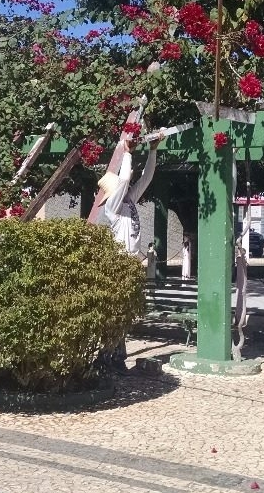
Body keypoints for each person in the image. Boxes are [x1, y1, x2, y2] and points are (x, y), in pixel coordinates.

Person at [96, 134, 162, 371]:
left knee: (124, 314)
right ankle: (107, 356)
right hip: (119, 265)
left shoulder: (128, 202)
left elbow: (146, 179)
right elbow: (124, 180)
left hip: (131, 265)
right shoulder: (113, 208)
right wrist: (127, 152)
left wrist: (153, 151)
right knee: (115, 313)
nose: (126, 186)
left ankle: (116, 356)